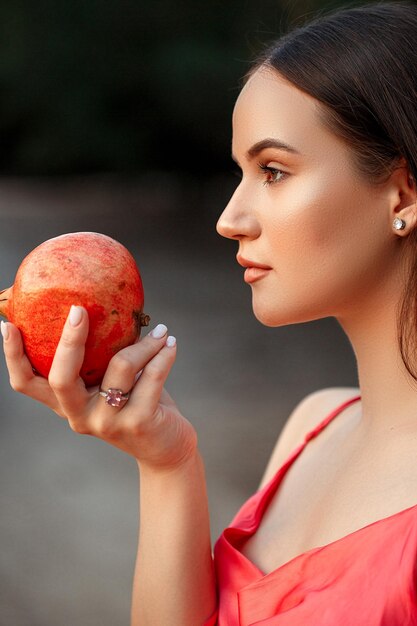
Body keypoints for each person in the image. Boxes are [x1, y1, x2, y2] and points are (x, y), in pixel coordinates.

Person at [3, 0, 417, 623]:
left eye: (273, 171)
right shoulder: (315, 426)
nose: (229, 219)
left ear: (403, 192)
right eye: (239, 172)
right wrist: (167, 462)